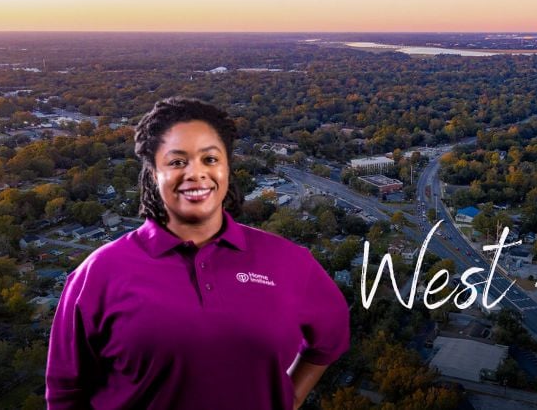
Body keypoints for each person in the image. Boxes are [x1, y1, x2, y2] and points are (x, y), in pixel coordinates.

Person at [46, 97, 350, 409]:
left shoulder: (287, 262)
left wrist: (290, 397)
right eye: (177, 162)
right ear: (152, 174)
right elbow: (66, 393)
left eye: (210, 159)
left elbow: (331, 336)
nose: (195, 173)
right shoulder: (98, 274)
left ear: (228, 168)